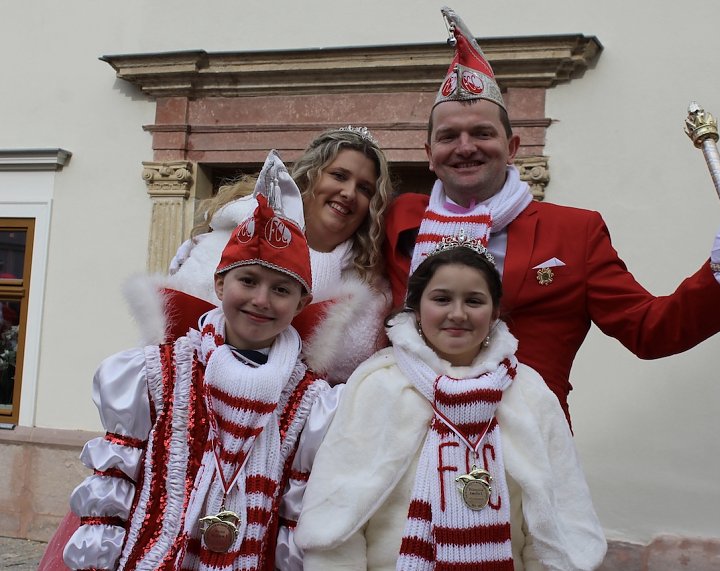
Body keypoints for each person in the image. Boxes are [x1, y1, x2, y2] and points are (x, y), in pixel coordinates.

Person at [384, 7, 720, 423]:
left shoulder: (575, 231)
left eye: (482, 133)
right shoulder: (399, 219)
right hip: (407, 443)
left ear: (513, 148)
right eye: (448, 136)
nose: (465, 146)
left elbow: (649, 330)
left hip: (527, 449)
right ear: (429, 156)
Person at [62, 158, 336, 570]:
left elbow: (294, 519)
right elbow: (113, 488)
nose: (261, 300)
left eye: (280, 289)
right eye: (247, 281)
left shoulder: (310, 402)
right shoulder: (156, 372)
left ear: (301, 303)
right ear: (220, 283)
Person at [295, 239, 607, 570]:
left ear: (495, 312)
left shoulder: (528, 393)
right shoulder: (378, 384)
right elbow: (336, 521)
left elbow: (555, 528)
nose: (457, 314)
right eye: (442, 299)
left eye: (473, 301)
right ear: (416, 308)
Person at [167, 125, 395, 383]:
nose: (349, 193)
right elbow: (175, 340)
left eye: (365, 188)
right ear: (311, 176)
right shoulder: (228, 242)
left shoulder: (373, 290)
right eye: (339, 175)